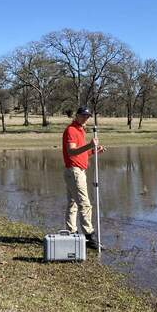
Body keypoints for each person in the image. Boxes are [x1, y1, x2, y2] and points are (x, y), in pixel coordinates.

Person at [62, 106, 105, 249]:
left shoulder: (80, 130)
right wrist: (88, 146)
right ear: (77, 116)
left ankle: (71, 232)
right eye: (83, 116)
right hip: (74, 172)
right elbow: (71, 152)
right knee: (85, 204)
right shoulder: (71, 130)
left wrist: (93, 151)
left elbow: (82, 154)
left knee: (73, 204)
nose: (86, 118)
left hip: (78, 171)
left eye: (88, 116)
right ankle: (90, 236)